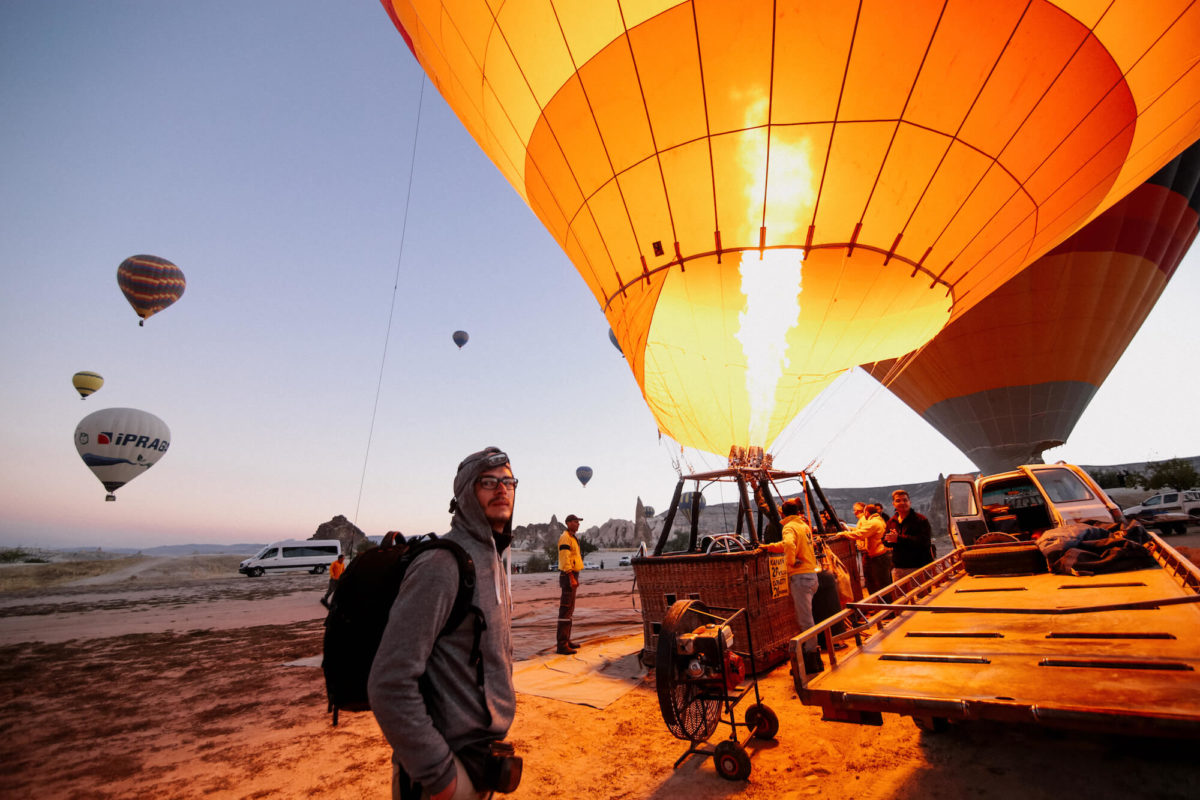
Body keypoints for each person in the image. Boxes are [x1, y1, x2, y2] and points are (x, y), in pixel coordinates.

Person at [368, 447, 517, 800]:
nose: (502, 489)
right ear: (466, 493)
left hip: (482, 757)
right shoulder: (442, 565)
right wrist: (441, 777)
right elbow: (389, 682)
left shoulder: (494, 558)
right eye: (488, 482)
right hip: (445, 769)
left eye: (508, 481)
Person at [762, 498, 823, 673]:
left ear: (782, 513)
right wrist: (770, 547)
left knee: (805, 621)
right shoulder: (803, 526)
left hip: (800, 577)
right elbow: (787, 544)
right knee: (808, 618)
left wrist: (791, 561)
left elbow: (789, 544)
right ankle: (811, 656)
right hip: (812, 576)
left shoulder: (788, 527)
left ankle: (811, 660)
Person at [884, 489, 934, 583]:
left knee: (925, 597)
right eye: (898, 500)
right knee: (902, 597)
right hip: (899, 568)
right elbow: (886, 541)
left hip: (919, 567)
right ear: (893, 504)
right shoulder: (891, 522)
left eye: (905, 500)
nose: (902, 503)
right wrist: (888, 540)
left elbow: (925, 542)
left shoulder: (920, 520)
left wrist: (898, 538)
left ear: (909, 502)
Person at [845, 504, 892, 594]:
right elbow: (862, 532)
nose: (855, 512)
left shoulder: (872, 522)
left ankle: (884, 604)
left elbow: (861, 533)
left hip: (878, 556)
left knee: (879, 583)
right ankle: (883, 603)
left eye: (857, 510)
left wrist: (844, 534)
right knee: (881, 582)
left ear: (866, 512)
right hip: (878, 554)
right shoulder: (877, 520)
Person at [556, 514, 585, 654]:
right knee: (565, 609)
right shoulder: (565, 537)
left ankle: (566, 640)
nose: (578, 524)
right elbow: (564, 558)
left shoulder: (572, 537)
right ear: (568, 523)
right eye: (575, 522)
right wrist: (571, 577)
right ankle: (562, 645)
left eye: (578, 522)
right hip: (568, 575)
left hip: (573, 574)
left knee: (570, 609)